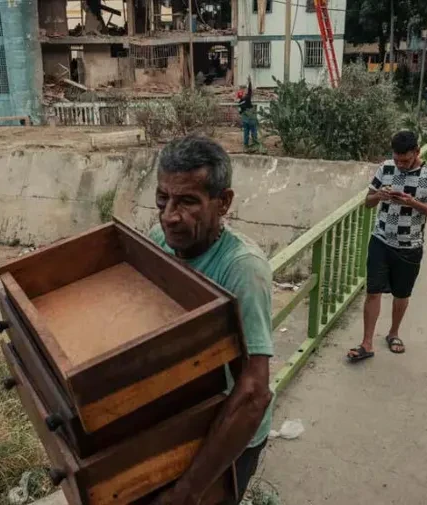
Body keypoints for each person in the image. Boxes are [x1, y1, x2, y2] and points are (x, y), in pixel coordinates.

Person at [149, 135, 274, 504]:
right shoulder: (159, 239)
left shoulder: (243, 271)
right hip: (186, 418)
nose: (170, 215)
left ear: (224, 203)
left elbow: (253, 395)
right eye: (162, 198)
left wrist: (188, 492)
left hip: (228, 433)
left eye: (188, 202)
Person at [347, 131, 427, 362]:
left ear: (417, 152)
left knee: (401, 295)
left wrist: (413, 203)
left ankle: (393, 334)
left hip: (410, 245)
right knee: (373, 291)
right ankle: (367, 343)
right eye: (398, 159)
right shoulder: (386, 168)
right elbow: (367, 202)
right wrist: (379, 196)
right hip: (381, 240)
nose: (401, 165)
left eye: (406, 160)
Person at [237, 76, 258, 149]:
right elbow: (250, 91)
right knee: (254, 131)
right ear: (242, 95)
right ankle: (255, 144)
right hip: (251, 118)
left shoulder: (239, 103)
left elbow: (240, 112)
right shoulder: (247, 99)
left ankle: (246, 145)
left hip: (245, 119)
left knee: (246, 132)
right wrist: (250, 82)